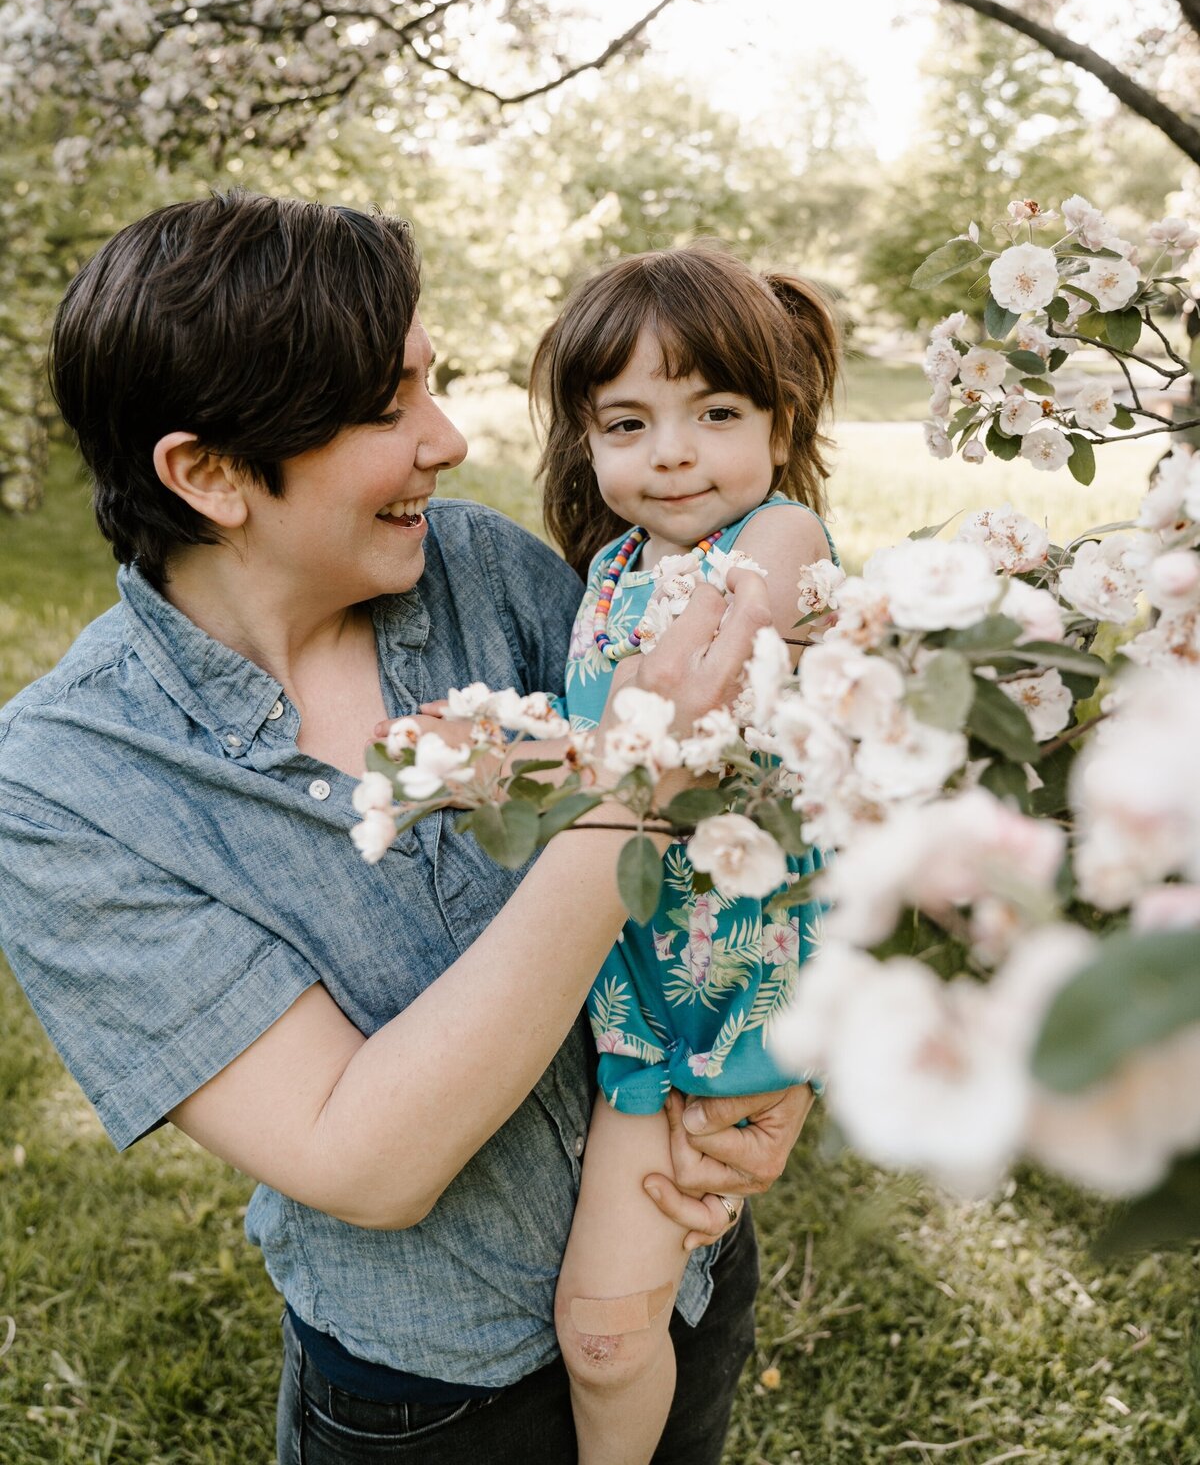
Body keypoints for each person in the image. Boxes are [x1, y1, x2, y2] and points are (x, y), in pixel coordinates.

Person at [0, 192, 816, 1465]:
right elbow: (365, 1158)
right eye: (388, 407)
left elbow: (750, 827)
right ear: (207, 473)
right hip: (429, 1407)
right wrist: (634, 789)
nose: (445, 439)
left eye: (432, 384)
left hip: (678, 1277)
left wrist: (777, 1065)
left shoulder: (485, 570)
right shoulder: (70, 786)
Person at [512, 247, 840, 1465]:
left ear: (778, 417)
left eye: (716, 413)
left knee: (612, 1324)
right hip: (623, 997)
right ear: (586, 440)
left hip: (740, 987)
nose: (675, 453)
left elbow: (709, 688)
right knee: (604, 1335)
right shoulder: (603, 575)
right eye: (628, 422)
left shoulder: (781, 538)